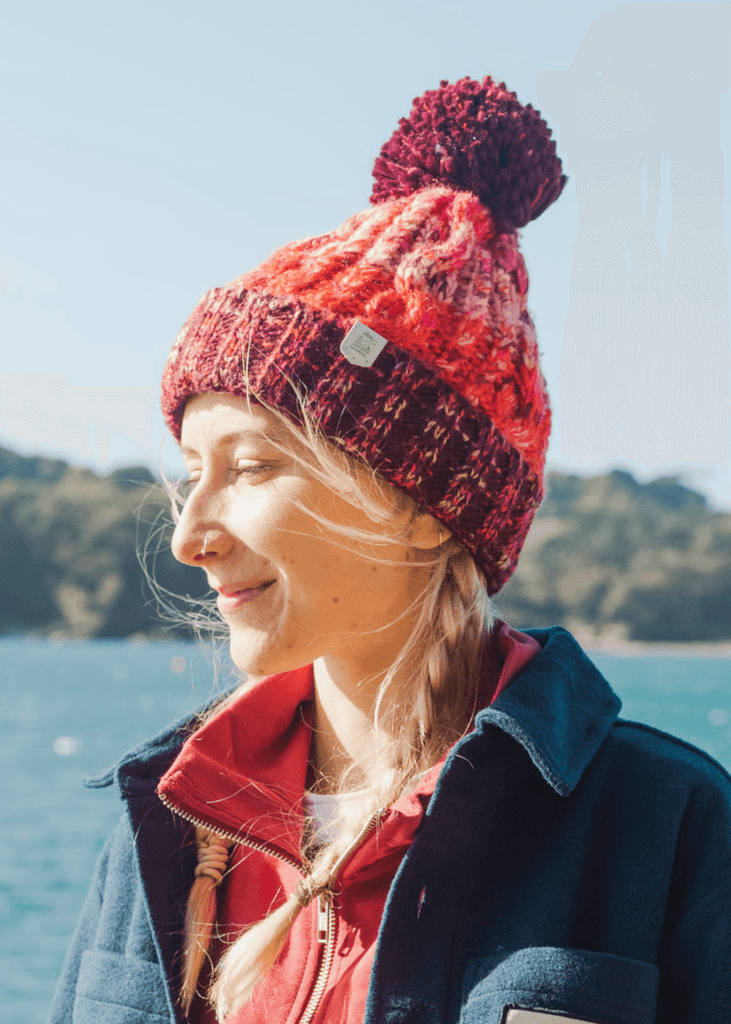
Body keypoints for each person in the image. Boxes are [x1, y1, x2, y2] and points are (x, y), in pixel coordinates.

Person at [49, 76, 731, 1024]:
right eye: (187, 474)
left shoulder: (670, 831)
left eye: (248, 469)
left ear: (419, 505)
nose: (190, 537)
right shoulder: (167, 825)